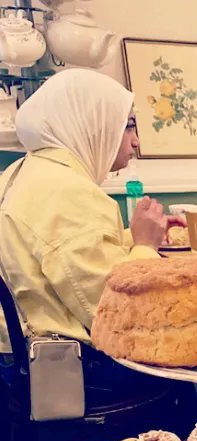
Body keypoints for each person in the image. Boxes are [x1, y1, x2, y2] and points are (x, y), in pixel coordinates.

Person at [0, 69, 184, 405]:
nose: (135, 140)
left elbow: (68, 260)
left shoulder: (21, 173)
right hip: (76, 375)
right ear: (91, 123)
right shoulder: (68, 192)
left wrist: (133, 237)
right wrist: (144, 247)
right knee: (190, 360)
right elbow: (120, 316)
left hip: (14, 366)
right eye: (127, 124)